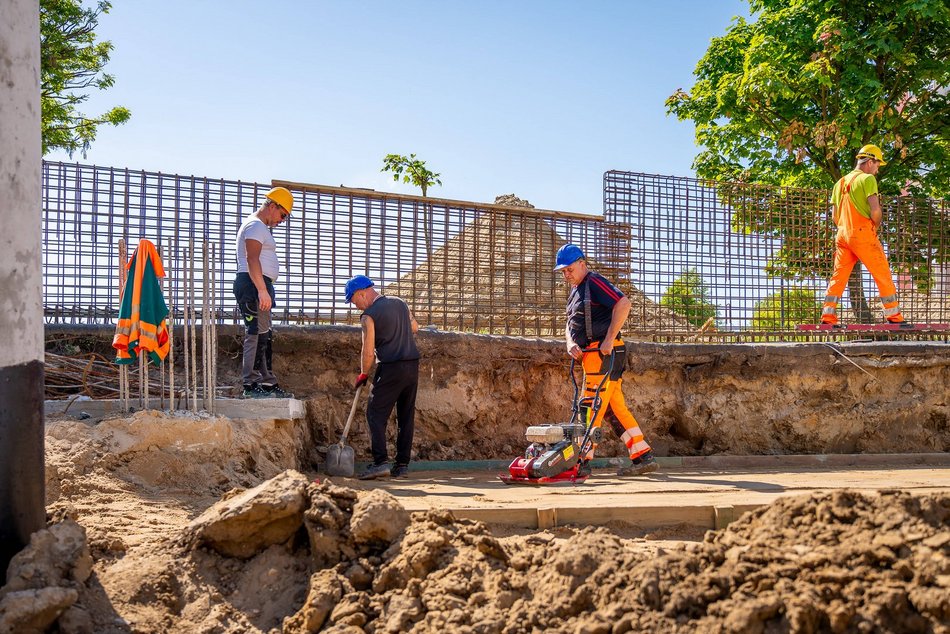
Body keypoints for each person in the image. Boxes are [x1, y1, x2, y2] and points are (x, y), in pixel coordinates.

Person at [554, 243, 659, 476]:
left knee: (590, 406)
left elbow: (623, 303)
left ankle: (580, 460)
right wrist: (570, 343)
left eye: (569, 269)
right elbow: (569, 324)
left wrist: (609, 338)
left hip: (603, 354)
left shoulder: (594, 282)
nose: (566, 274)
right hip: (593, 356)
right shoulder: (575, 292)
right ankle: (643, 456)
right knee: (613, 407)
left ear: (582, 264)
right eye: (562, 271)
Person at [821, 144, 908, 326]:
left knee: (839, 275)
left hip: (842, 234)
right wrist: (872, 227)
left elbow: (835, 217)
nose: (877, 169)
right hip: (862, 233)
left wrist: (847, 228)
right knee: (882, 272)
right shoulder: (868, 179)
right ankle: (894, 317)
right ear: (870, 162)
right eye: (877, 165)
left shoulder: (840, 183)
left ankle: (828, 317)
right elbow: (875, 211)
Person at [345, 275, 420, 480]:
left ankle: (380, 463)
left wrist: (363, 374)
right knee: (406, 416)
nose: (356, 306)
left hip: (391, 367)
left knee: (375, 413)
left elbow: (367, 352)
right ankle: (402, 466)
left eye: (354, 301)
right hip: (412, 365)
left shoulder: (368, 316)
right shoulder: (400, 303)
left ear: (361, 293)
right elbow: (415, 327)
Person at [233, 187, 294, 398]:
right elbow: (252, 259)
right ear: (272, 205)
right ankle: (251, 385)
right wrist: (261, 289)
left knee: (264, 335)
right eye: (282, 214)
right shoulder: (255, 226)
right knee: (255, 334)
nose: (282, 220)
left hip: (259, 284)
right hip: (253, 285)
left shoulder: (259, 227)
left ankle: (267, 383)